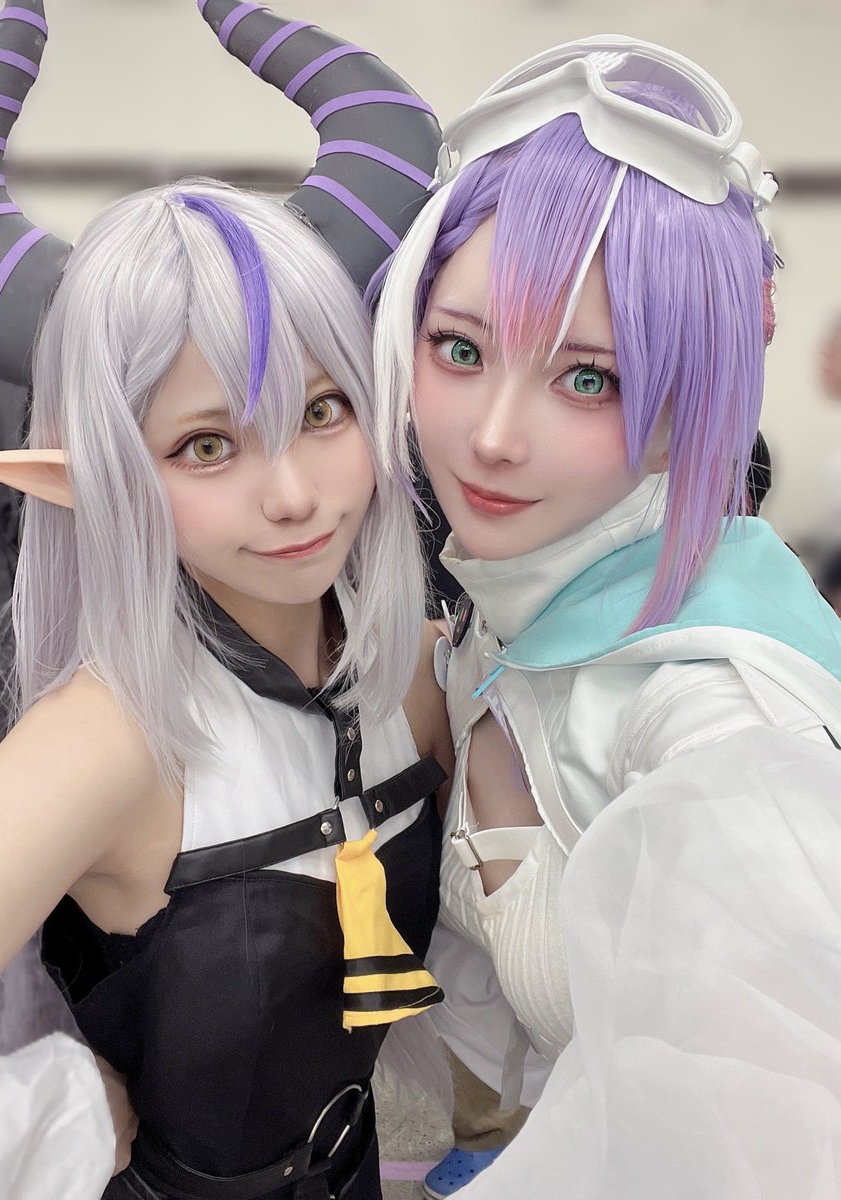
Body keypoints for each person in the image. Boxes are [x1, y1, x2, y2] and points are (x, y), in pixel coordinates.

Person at [0, 4, 453, 1198]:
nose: (294, 495)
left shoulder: (417, 668)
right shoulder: (100, 743)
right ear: (97, 478)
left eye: (321, 412)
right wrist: (57, 1112)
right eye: (208, 445)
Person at [371, 35, 841, 1195]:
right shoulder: (503, 606)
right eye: (460, 349)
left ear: (692, 402)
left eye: (590, 378)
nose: (492, 436)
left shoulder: (716, 711)